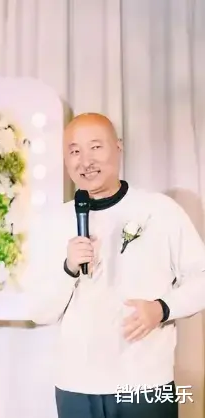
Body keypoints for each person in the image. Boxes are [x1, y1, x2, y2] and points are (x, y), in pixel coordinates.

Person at [24, 113, 205, 418]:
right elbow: (39, 311)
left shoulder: (159, 211)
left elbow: (201, 277)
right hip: (76, 386)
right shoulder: (53, 222)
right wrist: (68, 268)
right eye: (75, 151)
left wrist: (162, 308)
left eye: (96, 147)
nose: (85, 161)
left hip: (145, 384)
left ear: (118, 147)